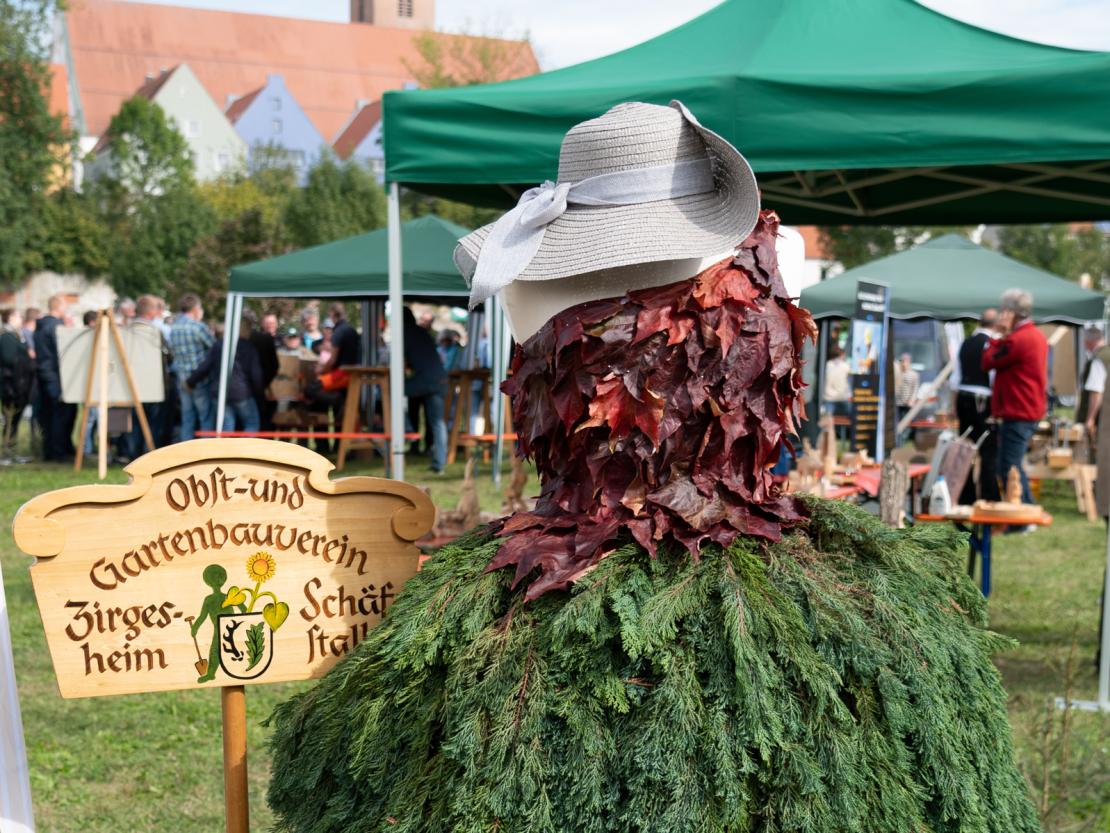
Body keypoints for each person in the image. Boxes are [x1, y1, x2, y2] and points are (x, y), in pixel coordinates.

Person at [982, 288, 1048, 505]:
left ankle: (1027, 512)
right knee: (1010, 465)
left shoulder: (1018, 339)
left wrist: (998, 334)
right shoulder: (1035, 335)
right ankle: (1024, 512)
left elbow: (988, 360)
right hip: (1025, 409)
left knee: (1009, 467)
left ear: (1010, 312)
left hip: (1018, 410)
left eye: (1004, 310)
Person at [952, 309, 1000, 503]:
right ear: (995, 325)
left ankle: (966, 495)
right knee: (987, 449)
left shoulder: (965, 343)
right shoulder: (991, 345)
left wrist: (954, 407)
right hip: (983, 399)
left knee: (965, 447)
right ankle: (989, 495)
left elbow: (955, 379)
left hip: (963, 397)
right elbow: (994, 378)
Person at [189, 316, 264, 433]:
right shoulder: (249, 348)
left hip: (220, 392)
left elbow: (205, 366)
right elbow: (256, 375)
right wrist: (260, 392)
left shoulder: (219, 345)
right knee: (252, 423)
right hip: (241, 393)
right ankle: (245, 445)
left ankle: (227, 446)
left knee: (227, 427)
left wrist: (190, 382)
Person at [403, 307, 448, 473]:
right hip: (440, 379)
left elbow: (399, 361)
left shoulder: (404, 333)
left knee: (389, 393)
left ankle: (407, 429)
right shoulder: (422, 332)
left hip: (425, 381)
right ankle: (440, 463)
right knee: (438, 422)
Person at [34, 294, 76, 461]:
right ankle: (59, 451)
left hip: (43, 374)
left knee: (49, 415)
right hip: (56, 375)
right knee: (61, 415)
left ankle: (49, 450)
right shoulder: (56, 327)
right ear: (59, 307)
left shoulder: (40, 325)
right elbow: (63, 352)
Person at [169, 293, 215, 441]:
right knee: (205, 417)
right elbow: (214, 348)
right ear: (195, 309)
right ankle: (206, 450)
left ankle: (186, 450)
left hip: (182, 379)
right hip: (199, 379)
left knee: (187, 418)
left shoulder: (174, 327)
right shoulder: (198, 327)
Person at [0, 308, 34, 464]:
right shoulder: (7, 336)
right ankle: (6, 453)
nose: (21, 318)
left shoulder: (15, 335)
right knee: (9, 419)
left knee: (14, 420)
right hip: (10, 385)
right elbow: (9, 359)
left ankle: (12, 451)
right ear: (10, 317)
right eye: (19, 316)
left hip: (17, 384)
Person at [245, 309, 279, 431]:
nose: (270, 326)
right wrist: (265, 384)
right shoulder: (259, 339)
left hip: (270, 388)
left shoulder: (281, 339)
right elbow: (274, 365)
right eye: (267, 323)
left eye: (272, 323)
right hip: (260, 388)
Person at [823, 345, 851, 440]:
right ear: (841, 354)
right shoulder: (846, 366)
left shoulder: (826, 365)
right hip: (843, 398)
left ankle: (830, 437)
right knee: (853, 416)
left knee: (827, 421)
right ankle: (847, 436)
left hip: (829, 398)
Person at [894, 353, 919, 445]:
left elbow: (915, 388)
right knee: (898, 422)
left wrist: (912, 400)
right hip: (898, 402)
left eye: (905, 361)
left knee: (909, 422)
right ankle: (899, 440)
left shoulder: (914, 374)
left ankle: (906, 439)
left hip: (908, 403)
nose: (904, 363)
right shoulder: (898, 373)